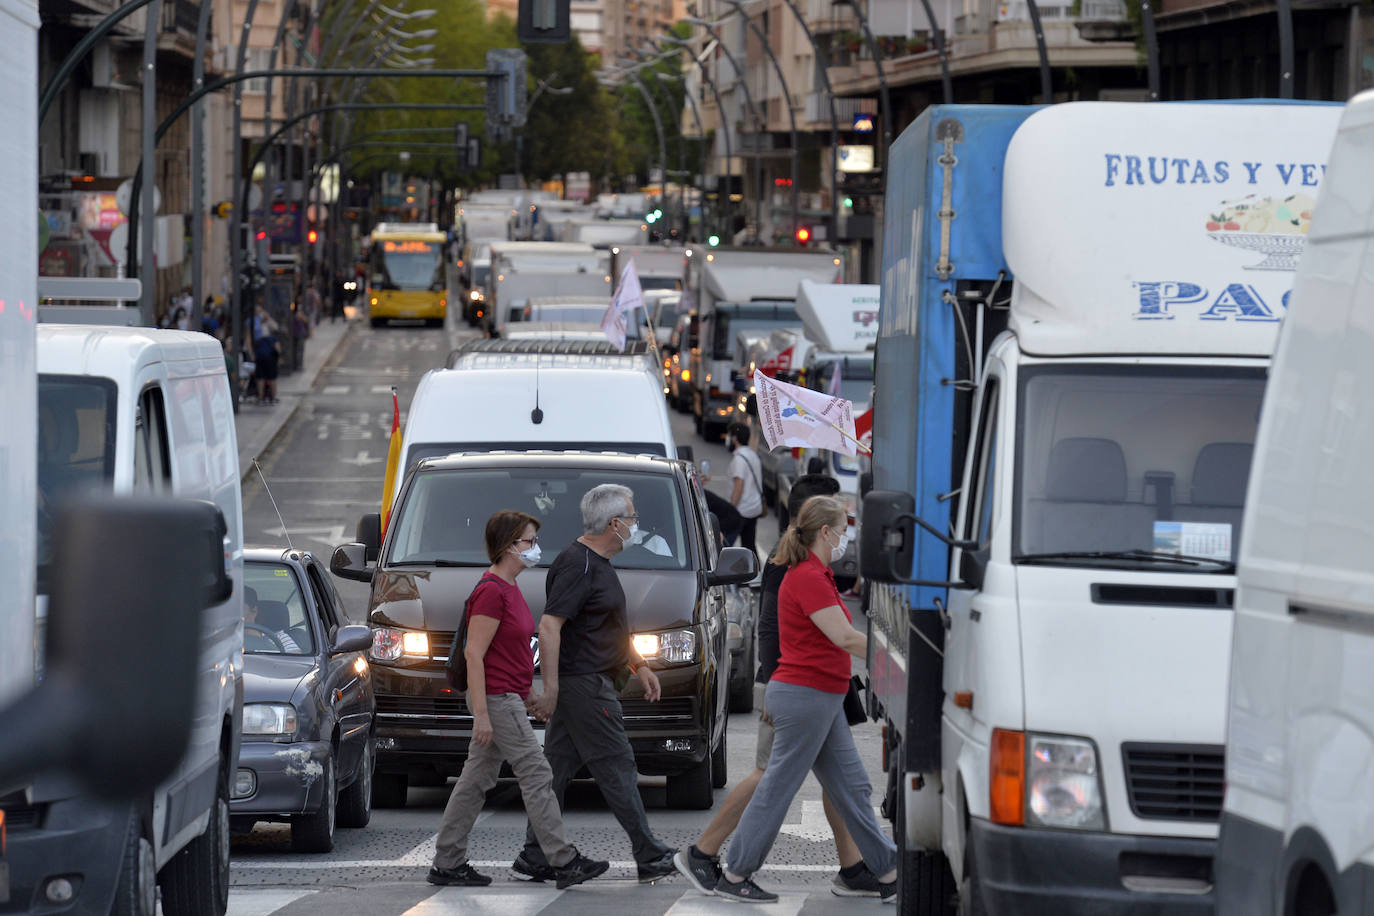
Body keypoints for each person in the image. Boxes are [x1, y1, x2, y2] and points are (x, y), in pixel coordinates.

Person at [674, 475, 886, 898]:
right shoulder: (798, 573)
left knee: (846, 784)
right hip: (799, 692)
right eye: (843, 530)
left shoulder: (815, 572)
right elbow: (795, 631)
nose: (847, 539)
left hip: (818, 692)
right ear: (823, 530)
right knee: (772, 782)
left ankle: (871, 868)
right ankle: (718, 862)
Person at [428, 511, 610, 889]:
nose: (535, 548)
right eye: (528, 542)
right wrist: (482, 714)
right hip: (495, 699)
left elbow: (508, 657)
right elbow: (474, 655)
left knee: (476, 779)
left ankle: (447, 860)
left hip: (506, 697)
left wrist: (530, 696)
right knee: (537, 772)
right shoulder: (491, 591)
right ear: (509, 546)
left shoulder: (509, 588)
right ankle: (562, 860)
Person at [517, 484, 678, 884]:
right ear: (614, 524)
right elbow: (550, 626)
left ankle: (535, 855)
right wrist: (551, 689)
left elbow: (606, 627)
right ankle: (649, 852)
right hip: (585, 686)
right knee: (617, 766)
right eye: (633, 516)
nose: (637, 524)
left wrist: (638, 664)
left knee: (555, 772)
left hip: (586, 682)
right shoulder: (578, 564)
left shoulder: (598, 562)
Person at [726, 422, 764, 553]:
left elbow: (739, 486)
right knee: (749, 545)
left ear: (735, 438)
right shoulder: (753, 455)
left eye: (730, 436)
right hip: (754, 508)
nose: (728, 439)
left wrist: (731, 509)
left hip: (742, 509)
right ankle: (755, 571)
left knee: (726, 543)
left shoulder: (739, 459)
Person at [243, 586, 301, 653]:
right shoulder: (228, 640)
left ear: (254, 611)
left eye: (237, 609)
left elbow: (295, 659)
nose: (232, 613)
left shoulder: (279, 637)